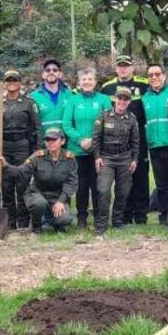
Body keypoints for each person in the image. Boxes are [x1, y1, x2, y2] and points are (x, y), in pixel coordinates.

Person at [100, 56, 151, 225]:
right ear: (116, 69)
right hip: (116, 140)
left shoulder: (144, 84)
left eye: (126, 66)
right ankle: (126, 215)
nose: (123, 69)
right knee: (124, 180)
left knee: (141, 178)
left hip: (139, 137)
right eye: (120, 66)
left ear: (132, 68)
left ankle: (142, 216)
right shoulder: (107, 88)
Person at [0, 128, 77, 233]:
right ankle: (36, 227)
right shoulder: (37, 156)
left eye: (54, 139)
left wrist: (61, 201)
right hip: (37, 193)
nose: (50, 142)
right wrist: (5, 165)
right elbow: (21, 172)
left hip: (57, 196)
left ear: (62, 141)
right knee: (39, 204)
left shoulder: (70, 159)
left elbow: (71, 182)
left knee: (65, 219)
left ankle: (50, 222)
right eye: (48, 140)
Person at [62, 67, 112, 228]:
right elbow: (67, 124)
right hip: (78, 150)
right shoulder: (73, 100)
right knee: (81, 186)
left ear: (95, 82)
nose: (87, 82)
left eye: (90, 79)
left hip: (98, 151)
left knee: (98, 185)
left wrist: (95, 141)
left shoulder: (104, 99)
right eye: (84, 80)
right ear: (79, 83)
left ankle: (99, 216)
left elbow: (110, 123)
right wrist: (80, 140)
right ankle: (82, 217)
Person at [93, 86, 140, 236]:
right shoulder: (104, 116)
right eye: (120, 98)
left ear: (129, 101)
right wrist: (97, 157)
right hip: (106, 157)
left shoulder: (132, 119)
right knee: (104, 190)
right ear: (115, 99)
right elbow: (96, 139)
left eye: (126, 99)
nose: (122, 101)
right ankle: (101, 223)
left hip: (124, 158)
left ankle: (118, 221)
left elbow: (135, 141)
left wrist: (135, 160)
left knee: (123, 191)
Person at [0, 70, 41, 229]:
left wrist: (38, 148)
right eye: (8, 80)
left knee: (22, 183)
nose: (11, 83)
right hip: (5, 146)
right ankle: (10, 220)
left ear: (20, 83)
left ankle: (23, 220)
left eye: (14, 80)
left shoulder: (29, 103)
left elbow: (37, 126)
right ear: (3, 83)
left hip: (23, 145)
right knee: (6, 184)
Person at [142, 64, 168, 224]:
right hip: (155, 147)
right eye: (151, 75)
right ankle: (164, 216)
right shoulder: (145, 98)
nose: (154, 77)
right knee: (161, 185)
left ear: (164, 75)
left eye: (157, 74)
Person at [29, 57, 70, 135]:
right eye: (48, 70)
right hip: (44, 142)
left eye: (55, 70)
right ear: (43, 75)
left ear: (60, 74)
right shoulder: (33, 97)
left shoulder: (69, 95)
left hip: (65, 141)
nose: (51, 72)